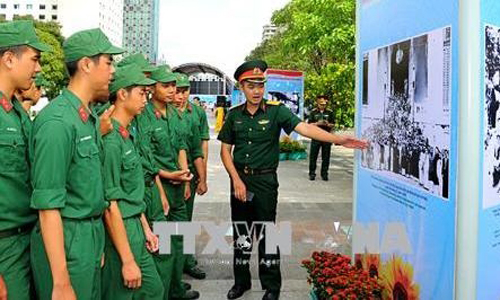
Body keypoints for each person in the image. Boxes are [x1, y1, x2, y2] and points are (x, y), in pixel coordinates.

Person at [218, 60, 368, 300]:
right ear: (242, 87)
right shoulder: (234, 115)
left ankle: (272, 286)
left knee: (268, 234)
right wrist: (236, 179)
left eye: (260, 85)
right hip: (240, 181)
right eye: (251, 86)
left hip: (265, 182)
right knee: (242, 234)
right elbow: (225, 151)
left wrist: (338, 140)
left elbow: (305, 128)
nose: (257, 91)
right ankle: (241, 282)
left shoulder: (277, 111)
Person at [30, 28, 123, 300]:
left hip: (89, 236)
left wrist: (95, 246)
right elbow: (48, 207)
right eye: (108, 62)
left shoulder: (86, 118)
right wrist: (60, 282)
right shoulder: (57, 123)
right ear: (86, 64)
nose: (113, 71)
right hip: (67, 241)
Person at [101, 64, 165, 299]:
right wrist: (127, 260)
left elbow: (131, 191)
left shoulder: (126, 136)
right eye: (141, 93)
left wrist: (146, 228)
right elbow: (111, 204)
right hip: (120, 229)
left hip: (136, 225)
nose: (146, 100)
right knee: (123, 292)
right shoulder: (111, 142)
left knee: (154, 290)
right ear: (122, 94)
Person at [137, 65, 200, 300]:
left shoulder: (175, 114)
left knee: (178, 241)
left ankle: (176, 287)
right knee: (163, 246)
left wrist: (184, 178)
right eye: (166, 85)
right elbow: (147, 159)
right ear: (152, 88)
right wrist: (167, 178)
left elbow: (182, 146)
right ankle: (162, 292)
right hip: (159, 189)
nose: (173, 90)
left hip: (177, 188)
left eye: (174, 85)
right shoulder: (143, 116)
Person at [0, 19, 50, 300]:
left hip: (27, 241)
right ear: (9, 58)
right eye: (34, 59)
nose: (39, 68)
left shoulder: (16, 113)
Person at [172, 73, 208, 279]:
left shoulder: (197, 113)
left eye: (184, 91)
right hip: (170, 175)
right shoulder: (164, 113)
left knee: (185, 219)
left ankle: (186, 261)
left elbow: (202, 145)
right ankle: (173, 266)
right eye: (177, 91)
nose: (180, 96)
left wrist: (203, 178)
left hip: (191, 175)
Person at [307, 95, 335, 181]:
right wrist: (317, 123)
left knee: (326, 156)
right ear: (318, 104)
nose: (323, 106)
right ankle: (312, 173)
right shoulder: (313, 112)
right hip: (316, 136)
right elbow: (309, 124)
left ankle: (324, 174)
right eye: (321, 104)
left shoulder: (330, 112)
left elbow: (333, 124)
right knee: (313, 156)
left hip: (326, 136)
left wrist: (327, 124)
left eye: (324, 104)